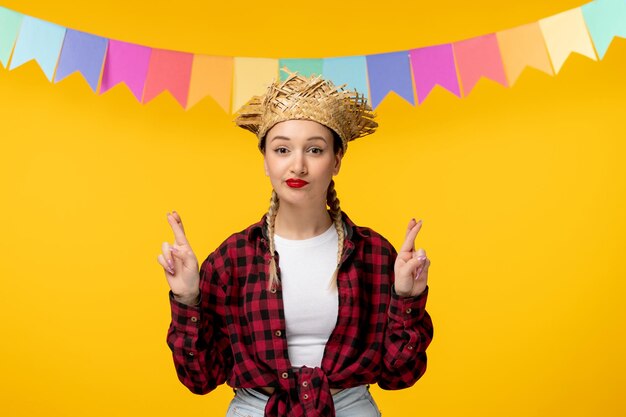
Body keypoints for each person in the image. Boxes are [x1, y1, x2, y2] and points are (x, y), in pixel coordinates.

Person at [158, 69, 433, 417]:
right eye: (282, 149)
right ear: (266, 161)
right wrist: (187, 298)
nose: (297, 165)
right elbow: (200, 378)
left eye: (315, 150)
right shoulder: (231, 259)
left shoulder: (375, 255)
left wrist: (408, 299)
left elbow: (401, 374)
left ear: (336, 161)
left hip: (349, 408)